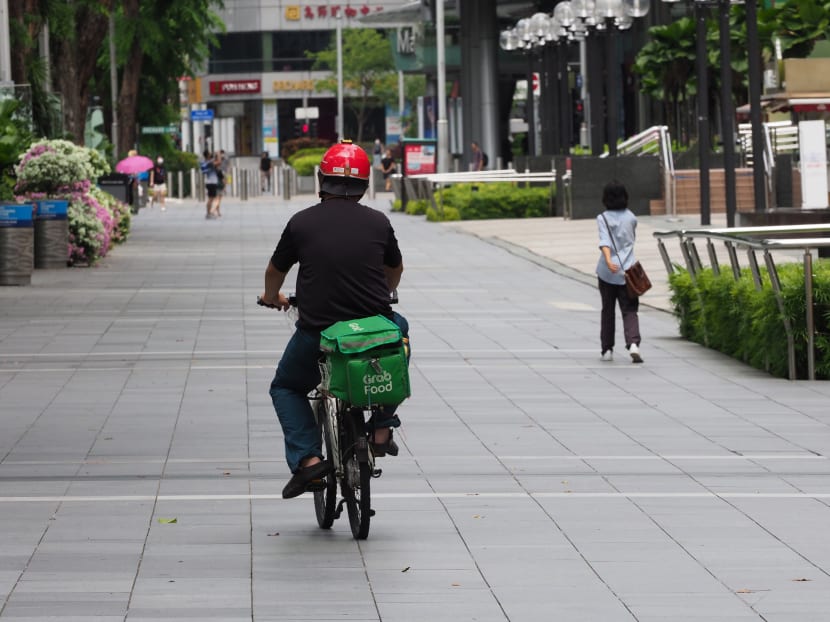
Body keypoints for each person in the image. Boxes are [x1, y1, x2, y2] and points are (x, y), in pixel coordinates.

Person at [259, 140, 408, 499]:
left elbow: (275, 271)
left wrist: (271, 297)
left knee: (286, 387)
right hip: (372, 330)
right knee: (398, 335)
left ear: (321, 180)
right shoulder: (378, 222)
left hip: (320, 334)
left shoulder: (301, 223)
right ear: (365, 185)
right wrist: (385, 292)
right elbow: (395, 269)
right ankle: (382, 427)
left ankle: (310, 461)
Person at [596, 180, 643, 364]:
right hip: (628, 272)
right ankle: (633, 344)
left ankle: (607, 349)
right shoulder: (631, 217)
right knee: (630, 309)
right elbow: (630, 241)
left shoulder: (603, 218)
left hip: (607, 273)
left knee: (608, 310)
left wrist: (609, 260)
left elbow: (605, 241)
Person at [200, 150, 219, 218]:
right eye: (210, 153)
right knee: (211, 199)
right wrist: (218, 154)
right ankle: (209, 213)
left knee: (211, 198)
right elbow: (218, 162)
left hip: (208, 182)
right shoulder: (209, 163)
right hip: (212, 182)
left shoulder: (204, 162)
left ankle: (209, 213)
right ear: (208, 155)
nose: (211, 154)